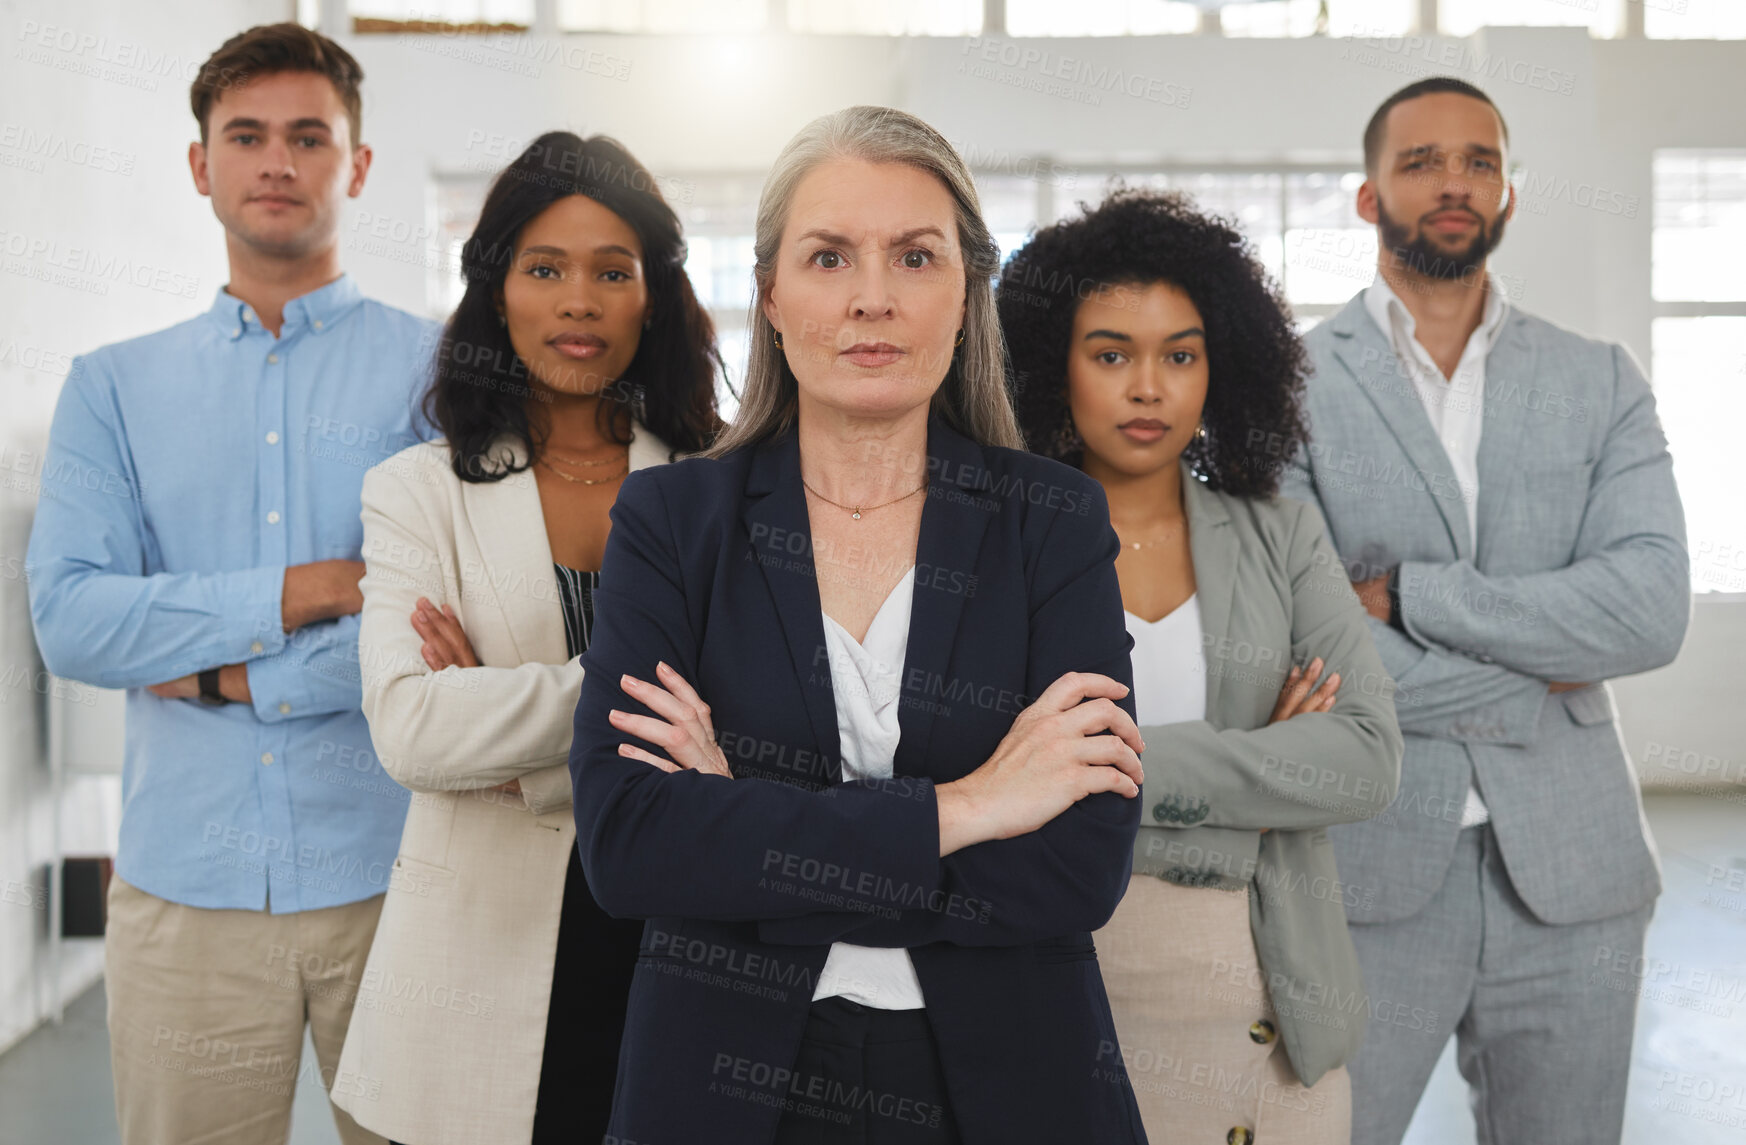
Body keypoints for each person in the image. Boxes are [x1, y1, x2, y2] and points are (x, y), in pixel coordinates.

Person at [566, 105, 1150, 1144]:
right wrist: (968, 807)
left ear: (965, 293)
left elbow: (1078, 864)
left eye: (914, 257)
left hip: (1008, 1087)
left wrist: (746, 830)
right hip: (723, 1084)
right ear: (773, 297)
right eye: (830, 256)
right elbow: (633, 844)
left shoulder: (1053, 522)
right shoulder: (671, 522)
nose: (872, 298)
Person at [23, 24, 435, 1145]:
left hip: (400, 888)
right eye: (245, 136)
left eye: (309, 137)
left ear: (355, 166)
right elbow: (72, 619)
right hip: (184, 897)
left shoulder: (440, 373)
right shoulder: (112, 388)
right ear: (199, 165)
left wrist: (219, 677)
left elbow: (453, 633)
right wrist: (304, 589)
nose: (277, 162)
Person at [1281, 77, 1690, 1145]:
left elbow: (1649, 610)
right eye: (1420, 161)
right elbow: (1310, 640)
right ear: (1368, 196)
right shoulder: (1287, 382)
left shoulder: (1600, 379)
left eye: (1478, 160)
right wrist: (1540, 669)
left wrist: (1416, 594)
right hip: (1365, 872)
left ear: (1510, 190)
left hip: (1577, 879)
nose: (1452, 182)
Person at [330, 131, 722, 1145]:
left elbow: (764, 725)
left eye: (612, 271)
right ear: (496, 289)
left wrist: (515, 746)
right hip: (472, 980)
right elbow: (412, 730)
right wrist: (641, 703)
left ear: (655, 294)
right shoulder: (417, 491)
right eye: (544, 268)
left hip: (676, 947)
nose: (579, 301)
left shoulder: (718, 482)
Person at [1000, 187, 1402, 1143]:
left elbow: (1366, 758)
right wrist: (1261, 761)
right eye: (1112, 355)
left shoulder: (1282, 536)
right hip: (1069, 997)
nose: (1150, 388)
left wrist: (1098, 766)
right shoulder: (997, 546)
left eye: (1180, 355)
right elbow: (973, 768)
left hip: (1278, 1031)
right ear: (1055, 368)